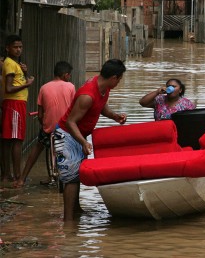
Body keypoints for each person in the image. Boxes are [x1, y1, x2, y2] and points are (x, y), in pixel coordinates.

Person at [54, 59, 127, 221]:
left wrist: (115, 116)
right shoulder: (88, 94)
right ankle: (68, 221)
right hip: (67, 135)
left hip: (79, 136)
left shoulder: (103, 88)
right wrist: (84, 142)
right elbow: (70, 122)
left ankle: (76, 210)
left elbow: (101, 107)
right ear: (114, 77)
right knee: (71, 178)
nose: (119, 82)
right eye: (120, 79)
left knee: (77, 174)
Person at [13, 61, 76, 188]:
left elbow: (40, 114)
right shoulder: (70, 87)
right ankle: (70, 178)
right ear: (65, 75)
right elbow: (74, 109)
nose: (69, 77)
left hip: (49, 129)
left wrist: (43, 124)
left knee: (37, 149)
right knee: (71, 150)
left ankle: (22, 179)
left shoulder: (44, 87)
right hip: (65, 129)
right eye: (69, 75)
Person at [1, 35, 34, 182]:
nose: (19, 49)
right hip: (15, 104)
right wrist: (27, 84)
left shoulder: (14, 64)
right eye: (15, 47)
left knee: (9, 140)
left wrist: (25, 74)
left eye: (20, 47)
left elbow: (15, 82)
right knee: (16, 140)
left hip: (15, 104)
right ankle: (16, 175)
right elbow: (9, 88)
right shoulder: (9, 64)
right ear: (8, 48)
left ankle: (7, 174)